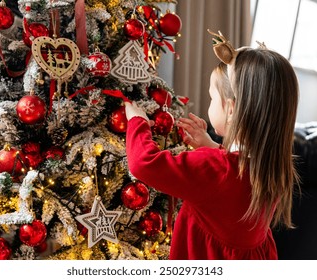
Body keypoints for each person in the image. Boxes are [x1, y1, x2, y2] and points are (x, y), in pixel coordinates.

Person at [124, 30, 299, 260]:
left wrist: (137, 121)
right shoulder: (271, 165)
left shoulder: (213, 168)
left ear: (231, 109)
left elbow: (144, 164)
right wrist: (209, 145)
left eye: (212, 97)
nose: (210, 104)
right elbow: (235, 178)